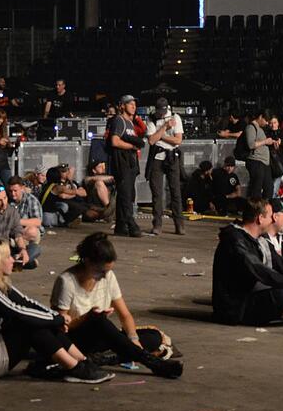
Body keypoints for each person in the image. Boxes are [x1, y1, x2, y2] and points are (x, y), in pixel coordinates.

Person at [0, 239, 114, 383]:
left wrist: (56, 316)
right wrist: (57, 320)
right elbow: (17, 312)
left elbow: (26, 302)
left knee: (40, 319)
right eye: (8, 256)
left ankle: (82, 362)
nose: (13, 260)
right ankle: (75, 368)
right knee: (30, 324)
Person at [50, 233, 183, 378]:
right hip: (76, 340)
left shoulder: (109, 277)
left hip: (101, 338)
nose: (105, 276)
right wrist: (87, 318)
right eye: (101, 271)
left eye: (107, 271)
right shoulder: (67, 282)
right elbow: (59, 328)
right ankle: (151, 362)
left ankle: (105, 358)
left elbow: (125, 315)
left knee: (153, 337)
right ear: (87, 261)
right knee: (99, 321)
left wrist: (134, 341)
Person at [211, 198, 283, 329]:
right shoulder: (235, 240)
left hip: (250, 294)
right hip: (234, 306)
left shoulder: (259, 240)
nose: (273, 220)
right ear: (260, 219)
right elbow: (259, 269)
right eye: (270, 216)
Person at [145, 97, 184, 235]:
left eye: (164, 110)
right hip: (157, 156)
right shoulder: (151, 119)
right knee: (156, 192)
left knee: (175, 191)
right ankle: (157, 224)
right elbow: (151, 141)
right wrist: (165, 127)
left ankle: (179, 224)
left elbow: (178, 140)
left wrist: (160, 136)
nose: (162, 113)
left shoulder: (175, 117)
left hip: (172, 156)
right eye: (159, 111)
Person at [108, 94, 144, 237]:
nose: (134, 106)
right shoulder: (119, 120)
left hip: (129, 163)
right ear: (122, 106)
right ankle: (131, 224)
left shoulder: (130, 122)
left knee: (128, 194)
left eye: (134, 104)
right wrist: (131, 146)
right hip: (122, 163)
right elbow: (114, 141)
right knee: (125, 195)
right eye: (130, 104)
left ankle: (121, 227)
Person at [6, 176, 43, 266]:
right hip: (11, 232)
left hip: (25, 234)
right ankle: (24, 260)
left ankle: (13, 246)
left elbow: (38, 222)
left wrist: (17, 221)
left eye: (15, 191)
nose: (12, 194)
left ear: (22, 188)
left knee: (33, 231)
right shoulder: (6, 200)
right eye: (10, 191)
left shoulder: (31, 200)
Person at [243, 108, 277, 200]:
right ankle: (255, 210)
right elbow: (251, 144)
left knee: (269, 188)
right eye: (266, 120)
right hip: (256, 161)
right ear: (260, 117)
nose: (267, 123)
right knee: (256, 189)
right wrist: (265, 141)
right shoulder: (251, 127)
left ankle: (264, 208)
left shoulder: (260, 129)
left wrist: (271, 142)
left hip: (264, 162)